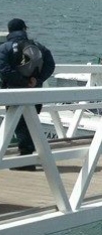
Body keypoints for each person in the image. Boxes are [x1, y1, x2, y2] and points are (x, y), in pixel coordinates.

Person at [0, 18, 56, 170]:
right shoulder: (38, 46)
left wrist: (22, 82)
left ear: (9, 30)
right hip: (35, 92)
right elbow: (50, 65)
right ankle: (30, 156)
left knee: (20, 125)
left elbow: (4, 71)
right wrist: (36, 81)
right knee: (30, 123)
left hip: (15, 92)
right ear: (25, 28)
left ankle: (25, 160)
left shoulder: (5, 47)